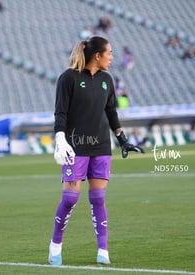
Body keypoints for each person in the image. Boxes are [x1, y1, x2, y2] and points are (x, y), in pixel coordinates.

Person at [48, 36, 144, 266]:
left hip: (101, 146)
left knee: (98, 198)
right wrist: (60, 138)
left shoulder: (107, 79)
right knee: (70, 198)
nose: (112, 57)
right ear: (97, 56)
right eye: (109, 53)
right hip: (75, 146)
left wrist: (122, 139)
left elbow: (111, 112)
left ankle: (103, 250)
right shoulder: (68, 78)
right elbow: (60, 112)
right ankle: (55, 246)